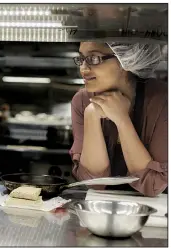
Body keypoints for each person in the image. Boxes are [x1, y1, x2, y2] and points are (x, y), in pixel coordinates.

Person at [70, 42, 167, 197]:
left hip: (155, 214)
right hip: (101, 209)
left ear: (126, 60)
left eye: (94, 59)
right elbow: (93, 182)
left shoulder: (162, 100)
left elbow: (152, 185)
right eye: (81, 59)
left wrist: (122, 120)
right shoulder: (81, 100)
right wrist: (91, 115)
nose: (83, 69)